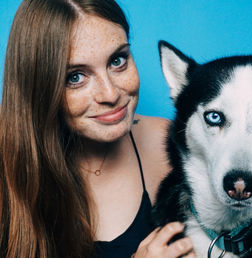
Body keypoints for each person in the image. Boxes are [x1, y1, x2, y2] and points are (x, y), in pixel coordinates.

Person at [0, 0, 194, 257]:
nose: (110, 93)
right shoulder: (6, 171)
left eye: (117, 60)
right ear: (38, 87)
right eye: (75, 77)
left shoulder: (173, 145)